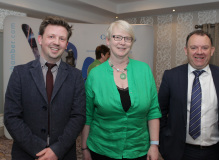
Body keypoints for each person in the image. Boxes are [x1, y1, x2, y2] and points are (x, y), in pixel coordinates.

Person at [4, 16, 86, 160]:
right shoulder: (20, 73)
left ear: (66, 44)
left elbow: (78, 117)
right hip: (27, 153)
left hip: (63, 153)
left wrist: (56, 150)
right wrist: (39, 149)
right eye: (51, 36)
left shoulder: (76, 76)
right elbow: (12, 117)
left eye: (62, 38)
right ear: (40, 39)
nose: (56, 42)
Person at [81, 20, 162, 160]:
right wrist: (84, 148)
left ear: (131, 42)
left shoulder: (144, 70)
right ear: (108, 40)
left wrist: (154, 145)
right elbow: (88, 115)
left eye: (127, 38)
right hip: (102, 150)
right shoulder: (95, 74)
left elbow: (153, 111)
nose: (122, 42)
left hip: (139, 150)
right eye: (117, 37)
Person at [158, 30, 219, 160]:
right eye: (193, 47)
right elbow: (160, 112)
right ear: (186, 50)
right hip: (180, 152)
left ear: (212, 50)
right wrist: (164, 143)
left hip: (217, 152)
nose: (199, 52)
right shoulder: (171, 76)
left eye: (205, 48)